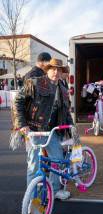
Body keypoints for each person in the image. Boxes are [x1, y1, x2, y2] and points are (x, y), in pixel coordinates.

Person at [14, 58, 73, 200]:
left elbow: (66, 114)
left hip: (52, 131)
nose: (56, 72)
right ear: (48, 70)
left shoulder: (64, 90)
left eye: (59, 70)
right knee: (33, 165)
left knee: (57, 159)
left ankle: (55, 190)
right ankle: (31, 198)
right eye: (53, 69)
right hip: (34, 129)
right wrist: (22, 124)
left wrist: (72, 132)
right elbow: (18, 101)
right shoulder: (35, 82)